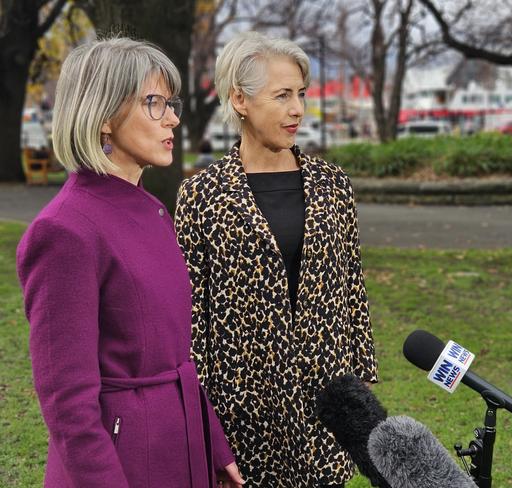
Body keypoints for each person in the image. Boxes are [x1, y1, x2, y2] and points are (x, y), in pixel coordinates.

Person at [16, 38, 244, 488]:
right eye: (154, 103)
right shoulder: (64, 231)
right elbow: (67, 405)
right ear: (103, 116)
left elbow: (177, 356)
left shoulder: (152, 211)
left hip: (181, 447)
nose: (174, 118)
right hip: (123, 464)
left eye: (170, 103)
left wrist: (213, 445)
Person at [175, 31, 378, 487]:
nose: (298, 110)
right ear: (240, 100)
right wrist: (200, 411)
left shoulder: (333, 184)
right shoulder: (202, 194)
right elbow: (191, 311)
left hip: (327, 401)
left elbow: (352, 286)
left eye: (301, 94)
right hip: (242, 407)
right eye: (282, 95)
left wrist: (361, 376)